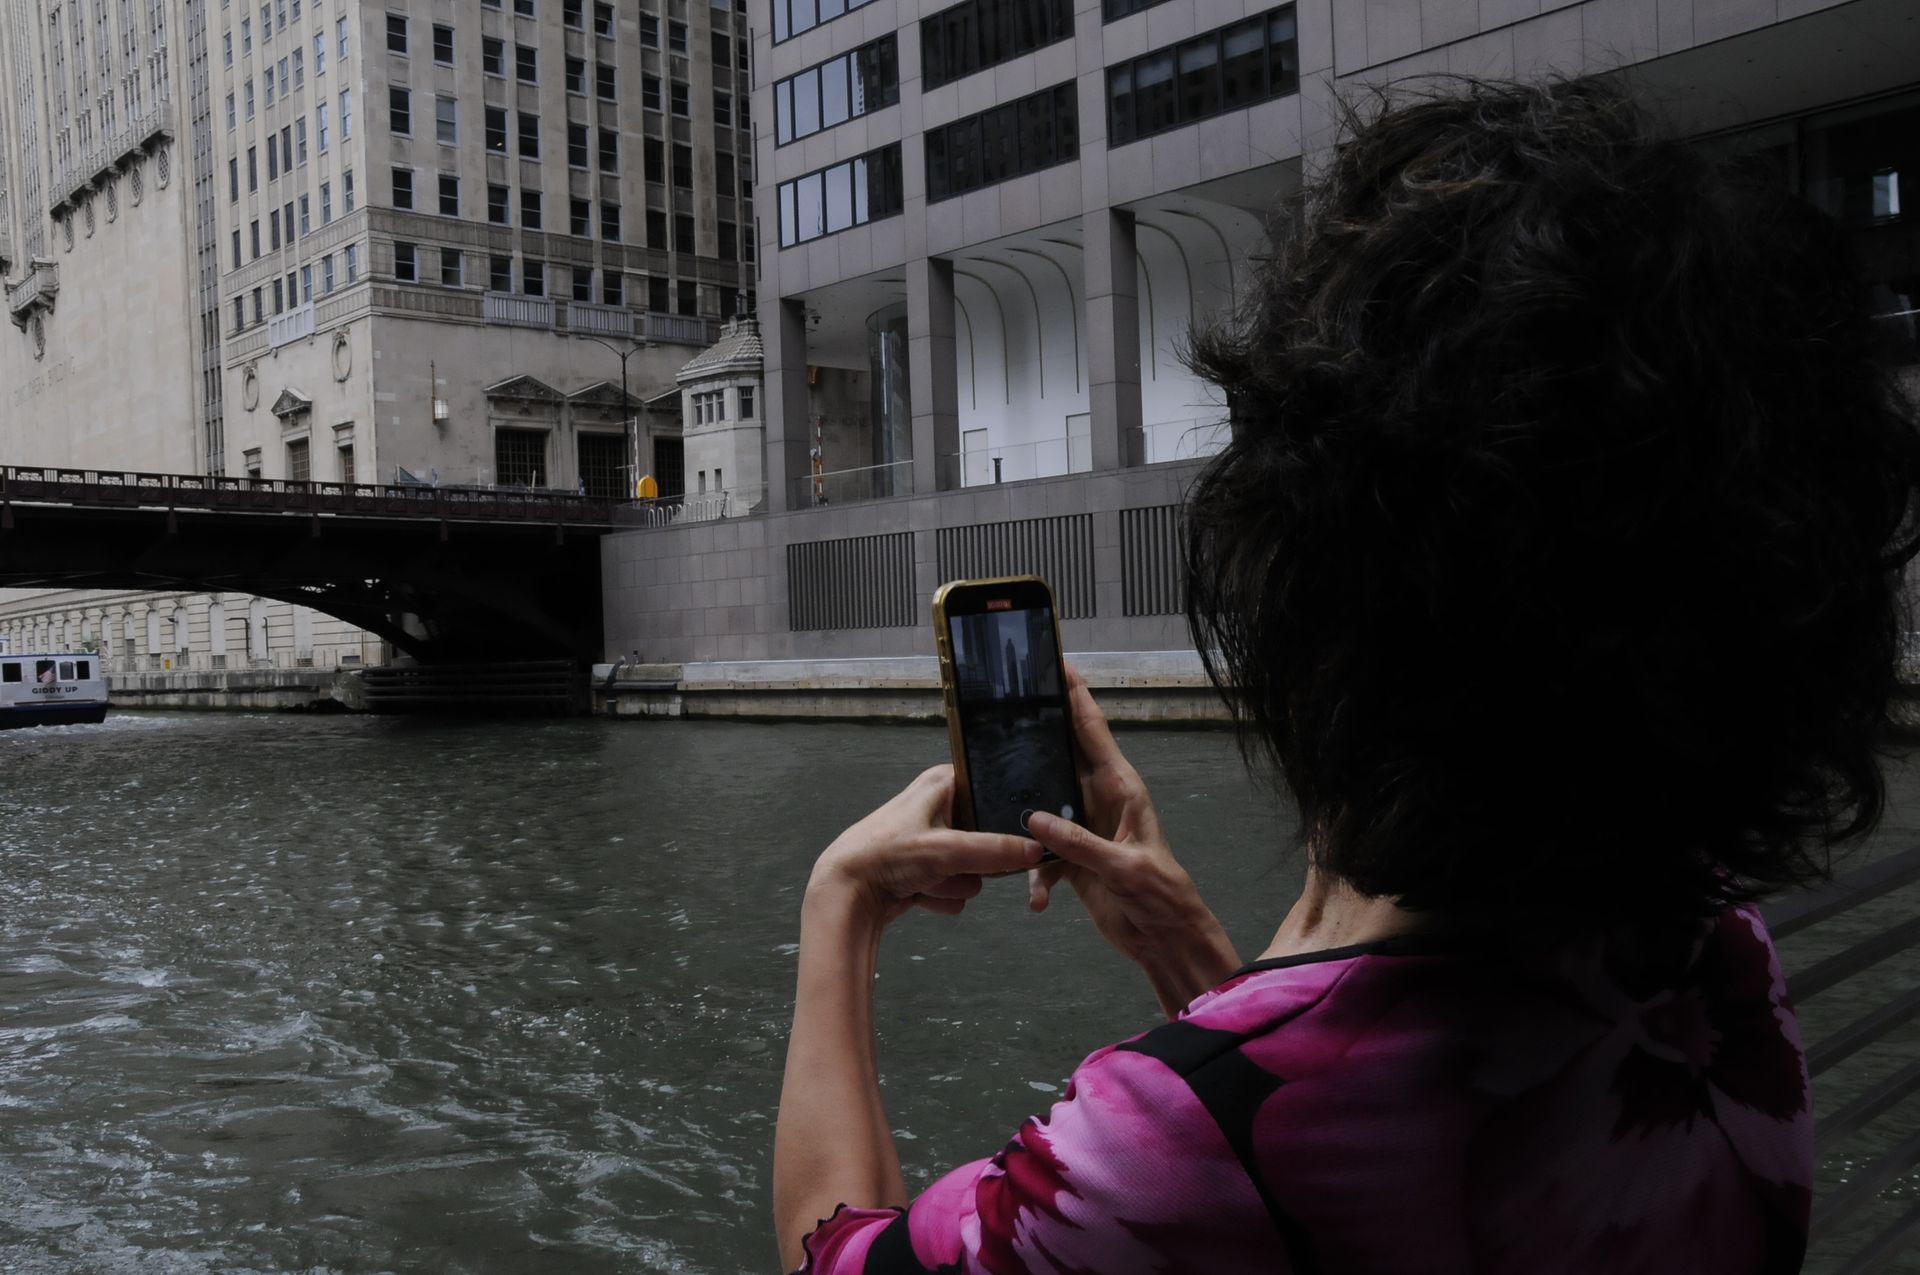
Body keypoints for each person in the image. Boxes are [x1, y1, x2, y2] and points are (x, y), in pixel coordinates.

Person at [773, 78, 1920, 1274]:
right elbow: (1339, 1155)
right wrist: (1193, 954)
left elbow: (837, 1257)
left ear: (1323, 587)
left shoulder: (1153, 1145)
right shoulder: (1715, 960)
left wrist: (840, 906)